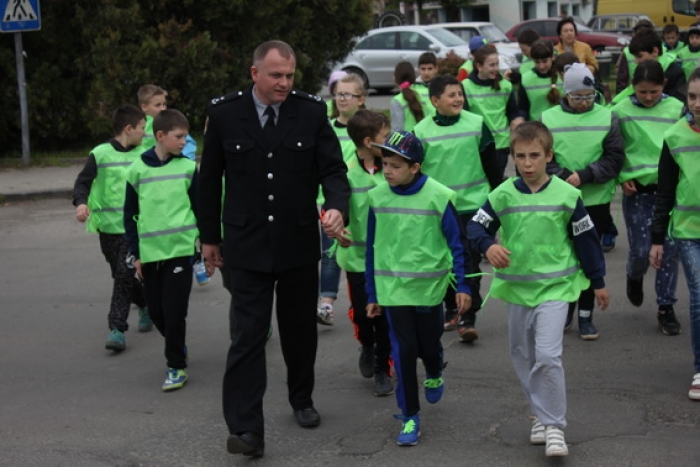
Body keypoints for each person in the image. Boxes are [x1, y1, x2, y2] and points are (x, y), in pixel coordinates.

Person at [198, 40, 350, 458]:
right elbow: (207, 181)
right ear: (255, 74)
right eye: (276, 75)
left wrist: (337, 208)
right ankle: (247, 430)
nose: (284, 83)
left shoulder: (311, 112)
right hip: (245, 245)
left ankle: (301, 397)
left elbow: (333, 171)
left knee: (299, 331)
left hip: (298, 242)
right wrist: (209, 238)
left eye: (289, 75)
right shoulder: (225, 114)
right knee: (247, 336)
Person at [467, 121, 609, 457]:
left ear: (548, 155)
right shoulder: (502, 194)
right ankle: (539, 416)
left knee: (547, 355)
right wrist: (488, 245)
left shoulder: (567, 195)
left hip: (556, 289)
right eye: (520, 156)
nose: (527, 163)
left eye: (534, 156)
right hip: (517, 291)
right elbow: (475, 227)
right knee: (524, 356)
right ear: (513, 158)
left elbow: (586, 241)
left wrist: (598, 281)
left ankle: (555, 426)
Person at [365, 130, 472, 446]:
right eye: (384, 163)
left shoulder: (439, 196)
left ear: (415, 167)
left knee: (427, 346)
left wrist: (463, 285)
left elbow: (458, 244)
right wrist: (372, 293)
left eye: (395, 165)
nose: (387, 171)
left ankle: (436, 366)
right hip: (394, 289)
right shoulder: (377, 198)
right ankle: (410, 416)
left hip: (429, 288)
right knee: (404, 352)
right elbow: (371, 248)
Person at [414, 74, 501, 340]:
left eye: (460, 94)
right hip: (438, 209)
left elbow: (492, 166)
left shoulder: (476, 124)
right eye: (451, 95)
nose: (458, 99)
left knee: (468, 260)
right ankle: (451, 306)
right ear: (434, 101)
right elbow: (416, 172)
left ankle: (468, 316)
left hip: (472, 206)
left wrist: (497, 201)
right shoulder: (420, 131)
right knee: (443, 261)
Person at [540, 63, 624, 340]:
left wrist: (586, 175)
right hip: (561, 199)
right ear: (566, 94)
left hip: (596, 200)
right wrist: (563, 175)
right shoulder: (549, 118)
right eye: (578, 97)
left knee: (590, 257)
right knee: (564, 257)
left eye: (589, 96)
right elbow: (542, 156)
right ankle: (565, 307)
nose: (584, 103)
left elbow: (614, 157)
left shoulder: (607, 116)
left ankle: (586, 315)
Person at [123, 109, 201, 392]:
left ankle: (175, 366)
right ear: (160, 136)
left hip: (180, 250)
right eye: (179, 137)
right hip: (150, 253)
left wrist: (205, 244)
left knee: (174, 310)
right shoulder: (137, 170)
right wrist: (136, 253)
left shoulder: (189, 168)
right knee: (156, 311)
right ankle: (177, 345)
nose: (184, 142)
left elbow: (200, 209)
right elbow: (129, 214)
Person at [611, 60, 684, 335]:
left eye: (654, 91)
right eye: (642, 92)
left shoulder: (677, 109)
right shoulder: (619, 111)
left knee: (669, 251)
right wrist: (621, 175)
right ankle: (634, 274)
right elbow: (613, 150)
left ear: (663, 85)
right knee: (641, 250)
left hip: (669, 191)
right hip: (638, 193)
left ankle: (666, 307)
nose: (649, 97)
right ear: (633, 88)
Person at [72, 104, 151, 352]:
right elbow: (82, 182)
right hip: (107, 229)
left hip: (132, 229)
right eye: (142, 128)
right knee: (121, 274)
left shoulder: (144, 155)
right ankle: (146, 303)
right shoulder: (100, 153)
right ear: (129, 129)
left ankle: (117, 329)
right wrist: (81, 204)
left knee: (123, 274)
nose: (144, 133)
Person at [334, 109, 394, 396]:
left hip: (390, 259)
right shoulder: (346, 172)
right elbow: (336, 207)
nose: (391, 140)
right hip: (357, 259)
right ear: (370, 142)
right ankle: (366, 345)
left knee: (383, 315)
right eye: (386, 137)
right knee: (362, 313)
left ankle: (384, 368)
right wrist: (338, 226)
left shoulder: (394, 167)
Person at [650, 67, 700, 400]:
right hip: (688, 231)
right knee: (699, 297)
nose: (697, 103)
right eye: (693, 96)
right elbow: (665, 192)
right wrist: (656, 239)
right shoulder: (675, 136)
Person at [316, 73, 368, 326]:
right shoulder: (326, 129)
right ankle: (326, 303)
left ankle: (369, 300)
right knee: (331, 251)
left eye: (348, 94)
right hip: (332, 202)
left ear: (361, 99)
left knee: (363, 249)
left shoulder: (370, 128)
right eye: (338, 94)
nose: (342, 99)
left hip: (365, 203)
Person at [464, 44, 525, 179]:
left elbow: (512, 112)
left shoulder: (505, 86)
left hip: (501, 145)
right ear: (479, 66)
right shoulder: (466, 87)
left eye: (497, 64)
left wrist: (517, 120)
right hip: (478, 145)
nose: (496, 69)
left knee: (494, 183)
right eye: (491, 65)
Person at [610, 31, 686, 107]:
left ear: (655, 51)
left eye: (640, 56)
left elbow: (680, 104)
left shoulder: (675, 73)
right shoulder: (642, 72)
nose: (636, 61)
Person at [137, 84, 197, 161]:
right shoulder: (138, 126)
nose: (163, 108)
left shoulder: (172, 122)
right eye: (157, 105)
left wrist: (183, 160)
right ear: (144, 107)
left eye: (164, 104)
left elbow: (189, 144)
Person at [517, 39, 562, 122]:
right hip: (536, 128)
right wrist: (520, 118)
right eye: (537, 62)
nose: (541, 66)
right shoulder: (526, 79)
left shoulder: (562, 76)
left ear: (552, 57)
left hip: (559, 126)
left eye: (545, 61)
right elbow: (523, 108)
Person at [615, 20, 656, 93]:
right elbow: (621, 81)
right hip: (634, 94)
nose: (637, 61)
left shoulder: (663, 51)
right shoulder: (627, 52)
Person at [390, 61, 429, 132]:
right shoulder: (427, 92)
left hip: (408, 141)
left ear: (395, 78)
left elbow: (397, 130)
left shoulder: (397, 100)